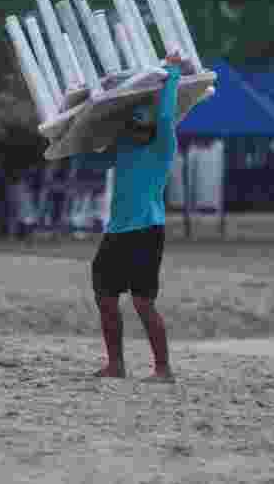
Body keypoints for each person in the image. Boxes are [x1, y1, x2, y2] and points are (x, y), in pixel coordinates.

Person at [79, 52, 185, 382]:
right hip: (117, 231)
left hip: (146, 231)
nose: (136, 131)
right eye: (132, 127)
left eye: (142, 126)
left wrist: (172, 75)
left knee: (142, 302)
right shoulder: (124, 146)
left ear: (150, 128)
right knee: (105, 296)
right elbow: (92, 161)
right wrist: (82, 125)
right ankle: (116, 365)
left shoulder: (162, 146)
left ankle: (163, 369)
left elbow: (167, 118)